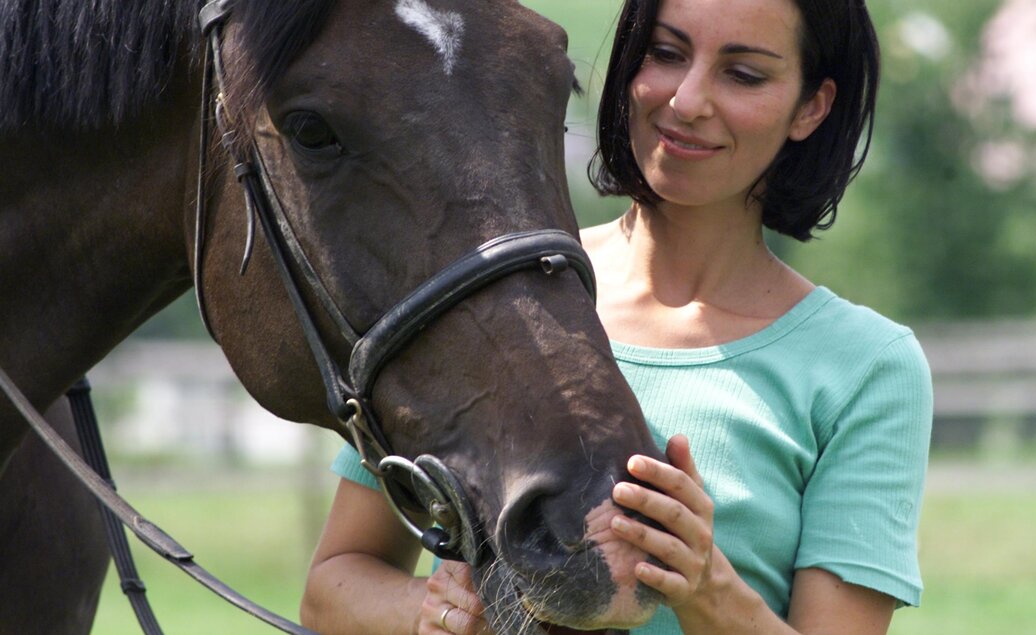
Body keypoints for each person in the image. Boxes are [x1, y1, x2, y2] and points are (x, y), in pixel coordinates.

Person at [301, 0, 933, 633]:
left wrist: (705, 586)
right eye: (666, 53)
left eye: (744, 74)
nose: (686, 101)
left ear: (811, 108)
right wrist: (431, 612)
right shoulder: (484, 291)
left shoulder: (866, 368)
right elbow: (333, 586)